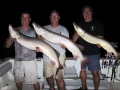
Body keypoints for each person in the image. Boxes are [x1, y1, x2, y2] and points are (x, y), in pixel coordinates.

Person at [5, 12, 40, 90]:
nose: (25, 19)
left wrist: (38, 48)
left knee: (35, 81)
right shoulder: (15, 30)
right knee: (18, 80)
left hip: (30, 60)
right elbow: (7, 46)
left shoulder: (33, 31)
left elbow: (38, 43)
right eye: (23, 17)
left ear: (30, 19)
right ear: (20, 19)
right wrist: (10, 37)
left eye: (27, 17)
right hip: (18, 60)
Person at [72, 6, 104, 90]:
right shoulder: (80, 25)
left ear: (92, 13)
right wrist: (73, 41)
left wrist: (100, 44)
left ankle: (96, 89)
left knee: (95, 73)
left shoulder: (98, 24)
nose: (86, 13)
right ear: (82, 14)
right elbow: (74, 39)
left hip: (94, 53)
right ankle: (84, 88)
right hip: (82, 53)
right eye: (84, 12)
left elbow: (101, 39)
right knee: (82, 71)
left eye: (88, 11)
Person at [42, 10, 69, 90]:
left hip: (59, 57)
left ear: (59, 18)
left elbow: (67, 45)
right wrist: (40, 37)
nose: (54, 17)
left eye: (56, 16)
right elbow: (38, 40)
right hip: (47, 57)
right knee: (48, 77)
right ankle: (52, 88)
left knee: (59, 79)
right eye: (52, 16)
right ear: (50, 18)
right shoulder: (44, 28)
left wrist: (65, 46)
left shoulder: (64, 30)